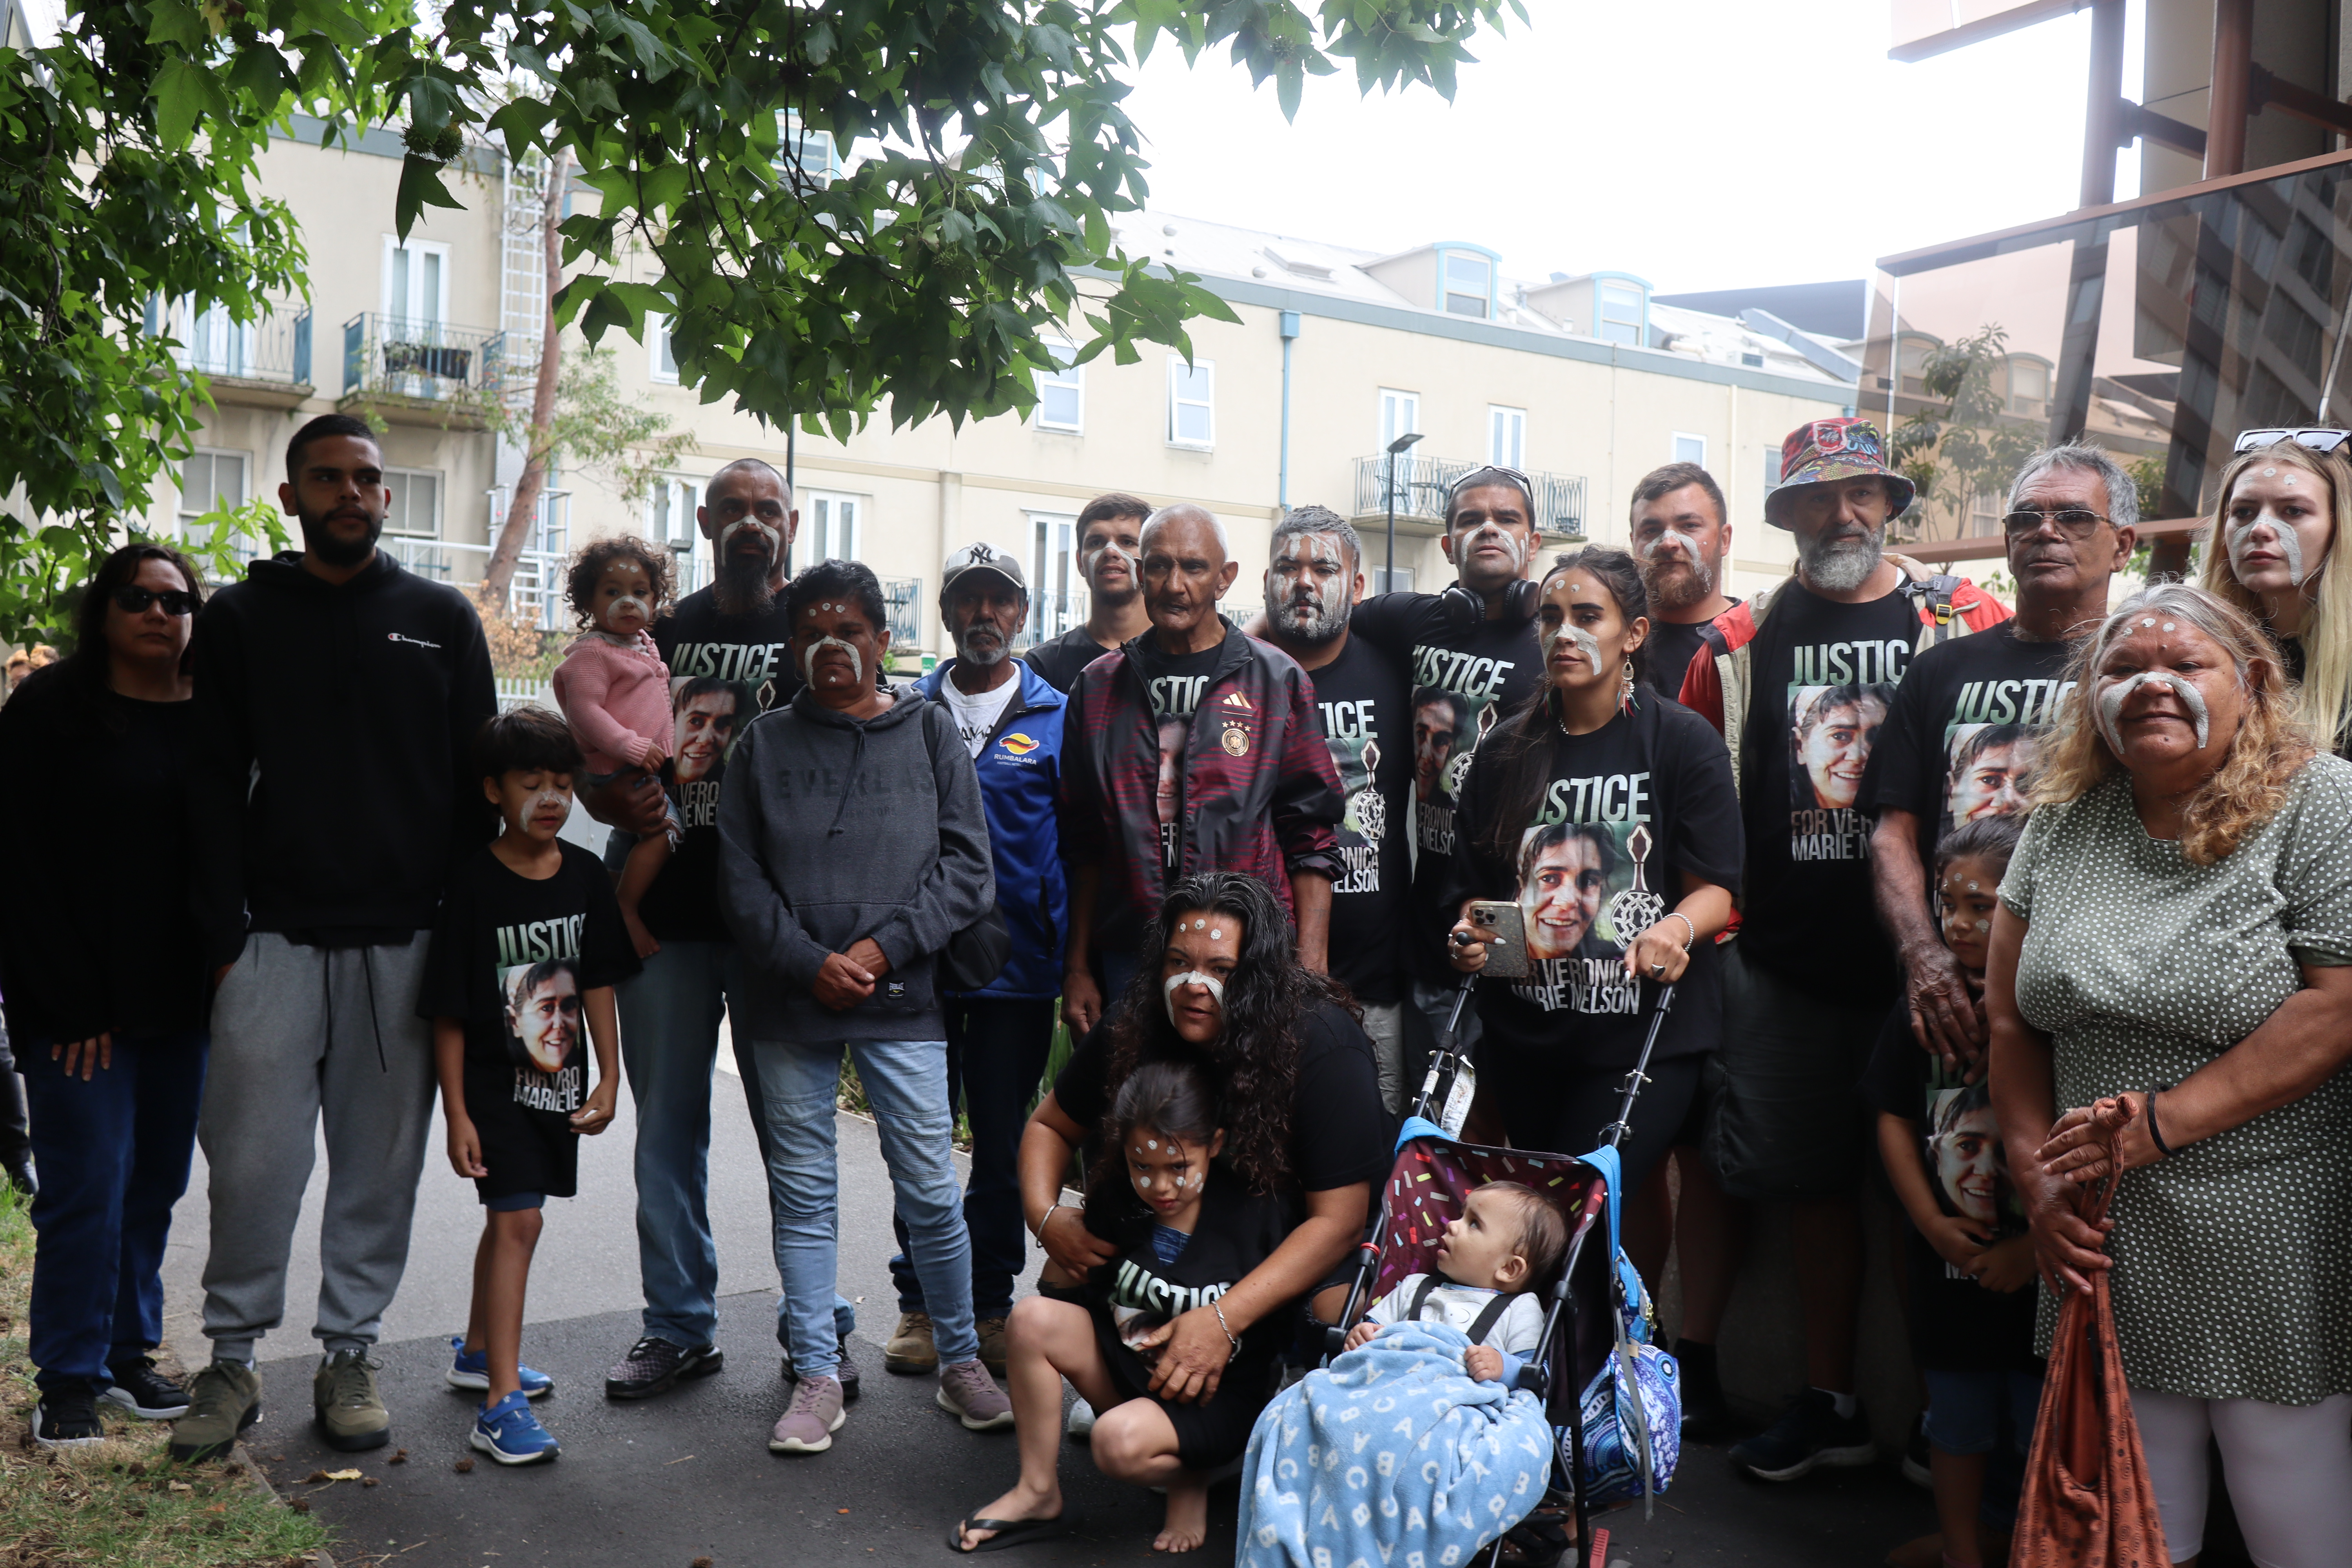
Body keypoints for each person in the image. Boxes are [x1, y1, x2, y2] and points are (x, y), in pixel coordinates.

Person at [1989, 583, 2352, 1568]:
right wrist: (2038, 1178)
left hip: (2268, 1222)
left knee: (2295, 1516)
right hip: (2103, 1229)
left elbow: (2338, 1004)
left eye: (2183, 664)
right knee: (2135, 1524)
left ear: (2253, 681)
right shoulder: (2063, 821)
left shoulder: (2320, 800)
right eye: (2120, 668)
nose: (2150, 682)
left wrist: (2156, 1125)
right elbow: (2010, 1021)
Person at [1678, 417, 2008, 1481]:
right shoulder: (1737, 646)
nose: (1845, 513)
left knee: (1959, 1194)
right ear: (1784, 516)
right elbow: (1706, 804)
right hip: (1785, 967)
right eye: (1820, 497)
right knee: (1813, 1188)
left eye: (1865, 492)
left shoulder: (1961, 619)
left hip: (1941, 970)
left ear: (1892, 505)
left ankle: (1939, 1427)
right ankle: (1833, 1403)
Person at [174, 413, 497, 1462]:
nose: (349, 494)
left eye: (366, 479)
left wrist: (455, 938)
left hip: (402, 944)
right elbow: (210, 783)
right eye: (328, 478)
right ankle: (231, 1362)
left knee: (379, 1168)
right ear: (291, 496)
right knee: (253, 1169)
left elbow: (474, 796)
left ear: (386, 497)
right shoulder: (238, 622)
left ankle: (349, 1353)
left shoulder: (441, 619)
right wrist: (224, 934)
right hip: (269, 945)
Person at [577, 459, 861, 1401]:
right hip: (665, 915)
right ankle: (678, 1327)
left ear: (794, 520)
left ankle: (814, 1328)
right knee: (669, 1128)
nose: (752, 521)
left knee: (795, 1132)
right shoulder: (658, 629)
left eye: (768, 508)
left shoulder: (816, 629)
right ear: (705, 520)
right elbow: (590, 767)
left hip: (783, 922)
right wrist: (609, 785)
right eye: (734, 507)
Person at [998, 872, 1390, 1549]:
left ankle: (1276, 1436)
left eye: (1219, 969)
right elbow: (1049, 1126)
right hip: (1167, 1238)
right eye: (1178, 964)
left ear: (1259, 976)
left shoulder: (1322, 1045)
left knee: (1346, 1316)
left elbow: (1341, 1221)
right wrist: (1045, 1218)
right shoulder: (1142, 1019)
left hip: (1284, 1244)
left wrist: (1222, 1320)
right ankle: (1157, 1434)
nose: (1192, 985)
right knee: (1065, 1271)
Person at [717, 557, 1010, 1452]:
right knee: (804, 1197)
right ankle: (815, 1373)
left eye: (850, 629)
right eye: (811, 632)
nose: (831, 646)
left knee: (928, 1188)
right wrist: (809, 961)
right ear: (792, 644)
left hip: (903, 995)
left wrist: (881, 950)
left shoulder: (929, 736)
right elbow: (739, 881)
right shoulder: (759, 746)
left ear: (883, 640)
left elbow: (969, 870)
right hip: (789, 1001)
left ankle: (961, 1359)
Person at [1443, 548, 1740, 1197]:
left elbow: (1718, 887)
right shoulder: (1500, 753)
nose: (1564, 633)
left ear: (1633, 634)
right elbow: (1477, 893)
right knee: (1550, 1217)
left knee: (1580, 1208)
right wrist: (1474, 941)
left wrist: (1675, 928)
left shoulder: (1682, 741)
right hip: (1526, 1039)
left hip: (1643, 1040)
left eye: (1587, 615)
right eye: (1550, 617)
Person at [0, 544, 210, 1447]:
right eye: (138, 597)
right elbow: (17, 864)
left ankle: (128, 1353)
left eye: (176, 599)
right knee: (87, 1186)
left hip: (179, 1004)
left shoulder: (211, 714)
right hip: (76, 1008)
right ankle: (67, 1377)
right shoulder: (51, 710)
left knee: (155, 1184)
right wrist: (69, 1002)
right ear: (104, 610)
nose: (158, 612)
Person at [1866, 442, 2137, 1081]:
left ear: (2122, 546)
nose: (2045, 532)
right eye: (2025, 519)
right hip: (1952, 994)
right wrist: (1925, 958)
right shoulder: (1940, 670)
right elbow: (1892, 835)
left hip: (2093, 998)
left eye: (2073, 517)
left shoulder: (2146, 669)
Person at [953, 1058, 1292, 1555]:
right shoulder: (1118, 1198)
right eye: (1143, 1166)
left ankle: (1193, 1475)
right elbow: (1086, 1291)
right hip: (1131, 1373)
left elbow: (1278, 1325)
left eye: (1179, 1167)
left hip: (1215, 1400)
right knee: (1029, 1319)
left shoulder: (1257, 1213)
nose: (1160, 1186)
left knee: (1114, 1442)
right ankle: (1037, 1490)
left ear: (1215, 1145)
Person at [421, 708, 635, 1465]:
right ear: (492, 790)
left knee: (509, 1221)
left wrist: (610, 1078)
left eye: (562, 783)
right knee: (520, 1223)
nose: (550, 798)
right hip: (490, 1085)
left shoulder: (583, 875)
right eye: (531, 783)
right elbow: (447, 1010)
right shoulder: (473, 884)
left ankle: (479, 1352)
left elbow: (601, 980)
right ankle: (500, 1402)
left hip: (557, 1085)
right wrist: (455, 1114)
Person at [1058, 505, 1343, 1033]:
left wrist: (1311, 963)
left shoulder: (1276, 681)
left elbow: (1312, 835)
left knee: (1245, 1105)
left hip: (1245, 950)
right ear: (1142, 574)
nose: (1174, 584)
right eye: (1160, 566)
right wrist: (1077, 968)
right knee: (1134, 1109)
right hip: (1130, 954)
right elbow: (1083, 845)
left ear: (1225, 578)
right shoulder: (1098, 688)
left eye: (1193, 567)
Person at [892, 543, 1071, 1376]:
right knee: (919, 1138)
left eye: (1000, 602)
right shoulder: (906, 710)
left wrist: (1072, 962)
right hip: (919, 964)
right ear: (946, 615)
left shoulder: (1057, 714)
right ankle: (922, 1304)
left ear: (1023, 615)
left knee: (1001, 1141)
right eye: (968, 602)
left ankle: (991, 1303)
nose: (984, 616)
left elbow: (1080, 848)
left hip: (1019, 970)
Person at [1862, 815, 2038, 1568]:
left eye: (1983, 906)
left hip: (2046, 1277)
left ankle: (2033, 1548)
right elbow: (1894, 1120)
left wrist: (2033, 1249)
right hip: (1948, 1269)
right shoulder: (1922, 1012)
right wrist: (1931, 1223)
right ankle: (1964, 1552)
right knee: (1956, 1424)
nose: (1959, 925)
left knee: (2042, 1428)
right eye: (1949, 906)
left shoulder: (2053, 1012)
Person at [1347, 468, 1546, 1062]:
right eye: (1470, 519)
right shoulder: (1414, 621)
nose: (1489, 528)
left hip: (1530, 925)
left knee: (1510, 1122)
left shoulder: (1556, 639)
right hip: (1432, 927)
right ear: (1447, 544)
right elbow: (1310, 622)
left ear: (1533, 542)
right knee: (1435, 1124)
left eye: (1507, 518)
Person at [1256, 506, 1415, 1112]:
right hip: (1258, 972)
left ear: (1357, 585)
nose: (1302, 582)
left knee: (1372, 1143)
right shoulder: (1242, 677)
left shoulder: (1399, 670)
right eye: (1286, 567)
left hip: (1375, 982)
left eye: (1324, 568)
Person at [551, 536, 679, 960]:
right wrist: (631, 746)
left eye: (640, 592)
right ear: (588, 599)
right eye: (613, 592)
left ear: (656, 598)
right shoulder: (592, 654)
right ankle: (625, 907)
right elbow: (585, 711)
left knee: (630, 835)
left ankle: (609, 901)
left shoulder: (641, 643)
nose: (629, 602)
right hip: (621, 763)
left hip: (639, 762)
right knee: (663, 832)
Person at [2199, 428, 2352, 756]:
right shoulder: (2194, 652)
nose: (2259, 529)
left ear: (2338, 527)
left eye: (2293, 511)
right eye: (2243, 511)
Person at [1340, 1181, 1566, 1387]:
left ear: (1509, 1269)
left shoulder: (1520, 1307)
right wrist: (1363, 1333)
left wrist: (1503, 1366)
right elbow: (1372, 1329)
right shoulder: (1415, 1286)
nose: (1451, 1225)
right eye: (1461, 1215)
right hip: (1389, 1385)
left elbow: (1535, 1373)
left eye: (1474, 1224)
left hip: (1458, 1402)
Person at [1630, 461, 1740, 701]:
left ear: (1724, 540)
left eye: (1689, 526)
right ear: (1633, 542)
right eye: (1651, 530)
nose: (1668, 542)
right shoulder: (1613, 642)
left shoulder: (1754, 639)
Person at [1023, 493, 1154, 693]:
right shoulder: (1042, 666)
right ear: (1080, 563)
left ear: (1149, 560)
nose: (1110, 551)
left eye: (1127, 542)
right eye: (1096, 542)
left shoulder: (1186, 656)